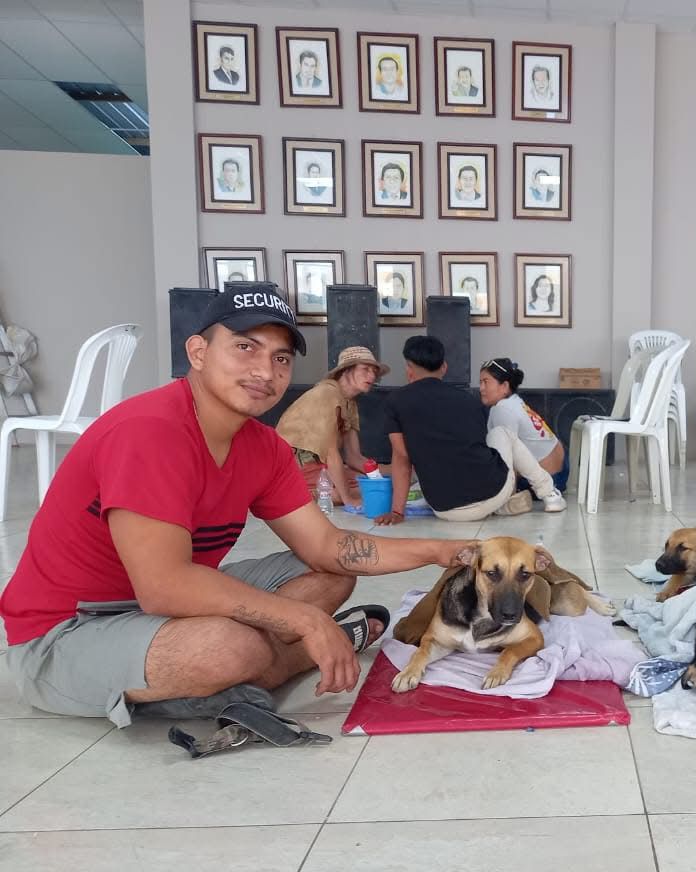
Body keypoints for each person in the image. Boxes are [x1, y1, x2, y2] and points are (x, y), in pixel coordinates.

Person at [0, 285, 470, 727]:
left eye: (280, 358)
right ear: (198, 352)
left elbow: (328, 546)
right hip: (68, 632)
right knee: (231, 647)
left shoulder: (263, 447)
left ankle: (253, 664)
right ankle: (277, 661)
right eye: (245, 347)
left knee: (332, 574)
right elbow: (164, 587)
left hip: (167, 611)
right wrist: (305, 621)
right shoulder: (150, 431)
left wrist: (444, 550)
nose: (265, 371)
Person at [375, 336, 566, 525]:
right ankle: (549, 494)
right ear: (444, 367)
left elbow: (402, 457)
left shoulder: (395, 402)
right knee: (501, 433)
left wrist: (397, 512)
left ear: (409, 369)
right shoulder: (469, 401)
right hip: (493, 494)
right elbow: (480, 449)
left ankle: (500, 507)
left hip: (444, 509)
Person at [275, 345, 388, 507]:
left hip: (317, 467)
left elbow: (354, 457)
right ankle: (292, 493)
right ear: (346, 370)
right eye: (365, 369)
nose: (372, 376)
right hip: (291, 467)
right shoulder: (327, 394)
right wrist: (348, 499)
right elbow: (331, 455)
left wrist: (393, 473)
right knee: (357, 490)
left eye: (374, 371)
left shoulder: (349, 402)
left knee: (368, 483)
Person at [478, 357, 569, 493]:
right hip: (563, 469)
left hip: (549, 480)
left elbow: (507, 460)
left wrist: (508, 494)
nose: (481, 388)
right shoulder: (515, 401)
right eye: (480, 382)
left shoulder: (501, 410)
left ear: (504, 386)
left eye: (486, 382)